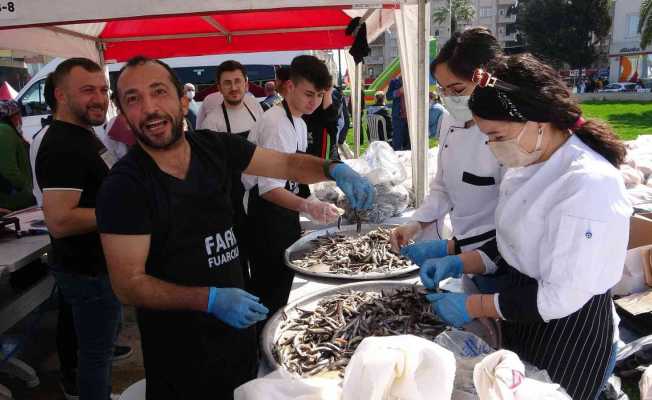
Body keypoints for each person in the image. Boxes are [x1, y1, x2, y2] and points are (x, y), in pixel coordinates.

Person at [95, 56, 373, 400]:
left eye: (159, 92)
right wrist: (209, 299)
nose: (149, 108)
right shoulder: (124, 187)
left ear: (184, 99)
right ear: (122, 112)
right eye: (133, 99)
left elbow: (285, 162)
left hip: (236, 341)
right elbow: (128, 285)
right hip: (181, 359)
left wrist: (334, 169)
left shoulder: (213, 147)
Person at [405, 53, 631, 400]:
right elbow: (515, 239)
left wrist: (474, 306)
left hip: (569, 330)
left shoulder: (587, 185)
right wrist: (461, 261)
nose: (492, 147)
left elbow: (560, 296)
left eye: (496, 135)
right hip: (521, 308)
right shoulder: (531, 160)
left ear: (537, 121)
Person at [34, 58, 120, 400]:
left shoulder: (83, 135)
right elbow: (60, 220)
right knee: (95, 356)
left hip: (99, 266)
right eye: (87, 90)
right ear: (61, 95)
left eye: (103, 90)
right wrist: (122, 212)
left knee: (98, 350)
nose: (99, 98)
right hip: (87, 271)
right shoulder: (61, 144)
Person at [391, 27, 504, 265]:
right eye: (443, 90)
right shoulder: (449, 121)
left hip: (502, 258)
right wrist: (416, 224)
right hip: (464, 252)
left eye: (458, 90)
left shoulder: (510, 134)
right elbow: (443, 187)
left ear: (487, 79)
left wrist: (453, 250)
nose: (450, 98)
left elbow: (517, 221)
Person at [245, 55, 345, 322]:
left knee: (283, 283)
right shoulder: (277, 123)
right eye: (308, 94)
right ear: (289, 87)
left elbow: (295, 172)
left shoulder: (299, 121)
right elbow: (268, 189)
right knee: (269, 289)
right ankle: (260, 346)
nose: (313, 102)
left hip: (282, 213)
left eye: (320, 95)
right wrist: (307, 206)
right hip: (263, 215)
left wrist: (317, 196)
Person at [197, 60, 264, 286]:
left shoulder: (255, 107)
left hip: (260, 192)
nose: (233, 87)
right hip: (232, 199)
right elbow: (207, 171)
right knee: (241, 255)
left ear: (246, 83)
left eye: (237, 81)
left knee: (261, 250)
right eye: (227, 83)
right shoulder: (211, 123)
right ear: (219, 87)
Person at [0, 99, 35, 211]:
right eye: (18, 115)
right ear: (12, 117)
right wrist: (26, 189)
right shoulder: (4, 131)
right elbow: (9, 170)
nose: (20, 119)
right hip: (15, 201)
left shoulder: (9, 131)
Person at [304, 85, 340, 159]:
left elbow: (332, 122)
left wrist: (327, 93)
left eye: (320, 95)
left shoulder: (328, 102)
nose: (314, 100)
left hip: (321, 156)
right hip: (309, 151)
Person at [386, 76, 410, 150]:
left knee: (411, 142)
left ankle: (409, 159)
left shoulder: (413, 80)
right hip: (398, 117)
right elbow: (388, 96)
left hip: (411, 117)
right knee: (398, 142)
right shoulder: (394, 82)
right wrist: (399, 91)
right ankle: (396, 158)